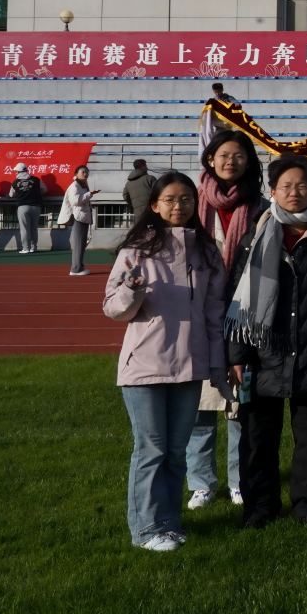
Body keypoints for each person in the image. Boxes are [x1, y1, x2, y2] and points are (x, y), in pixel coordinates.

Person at [103, 171, 227, 551]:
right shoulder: (136, 250)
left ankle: (169, 524)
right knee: (151, 450)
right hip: (145, 367)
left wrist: (217, 365)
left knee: (176, 452)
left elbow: (214, 313)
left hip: (190, 366)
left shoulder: (207, 252)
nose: (179, 206)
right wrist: (131, 289)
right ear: (155, 205)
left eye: (186, 199)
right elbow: (113, 310)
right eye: (170, 199)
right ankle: (145, 530)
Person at [227, 154, 307, 527]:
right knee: (257, 438)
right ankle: (260, 507)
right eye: (286, 186)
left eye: (302, 185)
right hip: (261, 354)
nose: (294, 192)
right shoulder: (254, 237)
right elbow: (237, 300)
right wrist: (236, 355)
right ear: (273, 190)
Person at [187, 130, 266, 510]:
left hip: (244, 314)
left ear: (248, 162)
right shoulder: (192, 203)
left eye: (239, 155)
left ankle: (238, 481)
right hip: (199, 313)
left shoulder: (261, 207)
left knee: (239, 407)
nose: (231, 162)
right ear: (210, 160)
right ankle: (201, 482)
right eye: (223, 155)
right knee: (200, 407)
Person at [59, 165, 97, 276]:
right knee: (78, 244)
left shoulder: (83, 185)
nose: (85, 174)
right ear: (76, 174)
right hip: (78, 216)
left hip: (82, 216)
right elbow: (75, 201)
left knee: (81, 243)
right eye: (82, 172)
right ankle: (75, 269)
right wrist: (90, 194)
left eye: (87, 172)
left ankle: (79, 266)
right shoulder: (75, 185)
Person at [7, 162, 45, 253]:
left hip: (23, 206)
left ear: (18, 171)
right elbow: (44, 189)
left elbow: (11, 194)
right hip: (36, 206)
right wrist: (36, 194)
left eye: (16, 171)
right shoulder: (36, 179)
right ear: (26, 170)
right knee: (34, 228)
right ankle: (33, 247)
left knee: (24, 229)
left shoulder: (16, 182)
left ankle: (26, 248)